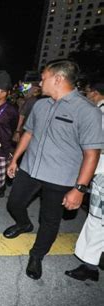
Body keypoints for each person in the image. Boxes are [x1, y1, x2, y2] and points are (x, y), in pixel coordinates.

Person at [4, 60, 103, 280]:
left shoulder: (87, 111)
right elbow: (28, 133)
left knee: (49, 221)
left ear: (58, 79)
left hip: (60, 177)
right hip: (30, 169)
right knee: (14, 203)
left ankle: (37, 256)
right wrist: (15, 159)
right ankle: (23, 223)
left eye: (44, 77)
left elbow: (92, 154)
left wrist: (79, 189)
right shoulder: (40, 105)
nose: (41, 82)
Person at [65, 81, 104, 282]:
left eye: (87, 91)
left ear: (95, 93)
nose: (86, 95)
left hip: (102, 177)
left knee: (97, 222)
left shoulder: (100, 114)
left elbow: (95, 147)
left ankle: (90, 266)